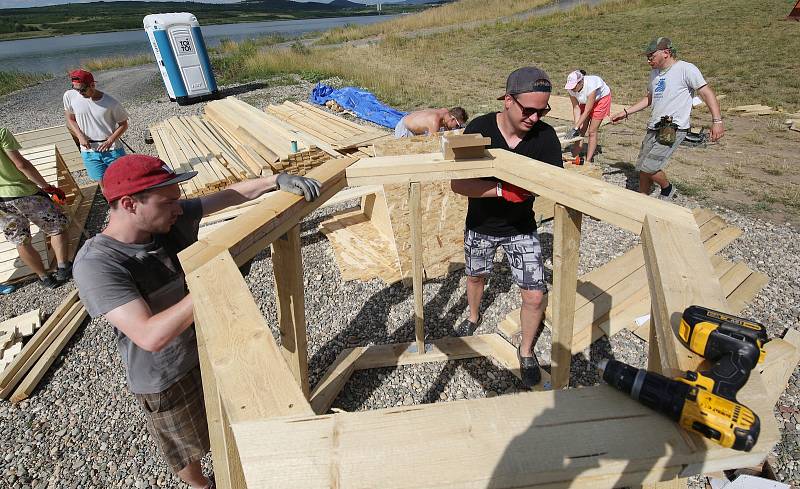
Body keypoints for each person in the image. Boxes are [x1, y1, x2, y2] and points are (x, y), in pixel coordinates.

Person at [72, 154, 321, 489]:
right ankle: (202, 485)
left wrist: (273, 182)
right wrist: (216, 280)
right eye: (169, 201)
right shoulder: (98, 264)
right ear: (130, 204)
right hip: (164, 373)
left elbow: (229, 195)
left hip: (207, 347)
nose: (180, 207)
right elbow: (149, 335)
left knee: (226, 415)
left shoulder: (166, 220)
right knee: (185, 448)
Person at [450, 67, 563, 388]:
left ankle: (526, 351)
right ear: (508, 101)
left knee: (534, 295)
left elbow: (557, 183)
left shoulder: (546, 137)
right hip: (481, 225)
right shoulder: (480, 129)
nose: (535, 118)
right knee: (475, 276)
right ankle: (473, 317)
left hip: (522, 228)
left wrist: (541, 188)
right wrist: (502, 191)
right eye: (529, 110)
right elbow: (459, 184)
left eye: (543, 111)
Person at [610, 37, 724, 200]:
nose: (649, 60)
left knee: (650, 166)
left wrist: (717, 122)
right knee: (642, 166)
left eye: (651, 56)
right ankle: (642, 198)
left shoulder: (686, 69)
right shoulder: (654, 74)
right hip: (654, 126)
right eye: (647, 57)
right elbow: (650, 98)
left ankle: (668, 188)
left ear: (666, 52)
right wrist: (626, 112)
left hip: (673, 128)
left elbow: (706, 93)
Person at [0, 126, 71, 290]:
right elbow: (21, 164)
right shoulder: (2, 131)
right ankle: (63, 267)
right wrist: (46, 186)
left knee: (21, 240)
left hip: (1, 202)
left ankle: (44, 278)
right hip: (23, 192)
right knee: (56, 227)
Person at [64, 69, 129, 185]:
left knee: (122, 182)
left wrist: (110, 140)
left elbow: (124, 124)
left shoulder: (111, 103)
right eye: (75, 89)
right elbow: (70, 118)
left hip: (112, 149)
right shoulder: (70, 96)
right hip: (88, 151)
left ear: (92, 85)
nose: (79, 93)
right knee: (103, 185)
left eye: (82, 90)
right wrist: (80, 136)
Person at [564, 69, 612, 164]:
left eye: (574, 86)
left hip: (601, 100)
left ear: (581, 82)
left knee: (592, 131)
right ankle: (575, 157)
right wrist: (576, 127)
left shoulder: (590, 86)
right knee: (581, 129)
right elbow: (576, 108)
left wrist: (576, 127)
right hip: (586, 100)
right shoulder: (571, 89)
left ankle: (588, 160)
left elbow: (587, 110)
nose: (572, 89)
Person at [394, 107, 468, 138]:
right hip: (405, 128)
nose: (455, 128)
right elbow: (431, 143)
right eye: (457, 125)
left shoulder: (445, 112)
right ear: (452, 119)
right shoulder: (434, 123)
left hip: (413, 121)